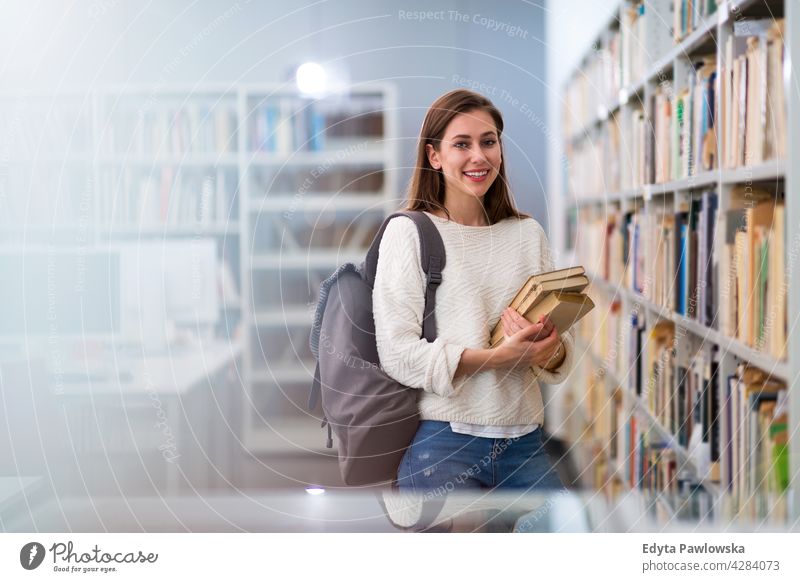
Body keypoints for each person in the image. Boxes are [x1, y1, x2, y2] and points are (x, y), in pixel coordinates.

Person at [372, 89, 575, 494]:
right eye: (461, 144)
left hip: (527, 443)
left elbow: (558, 355)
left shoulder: (527, 234)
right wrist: (496, 358)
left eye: (488, 142)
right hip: (447, 443)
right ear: (434, 156)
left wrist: (548, 348)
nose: (478, 157)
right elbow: (397, 352)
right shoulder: (409, 232)